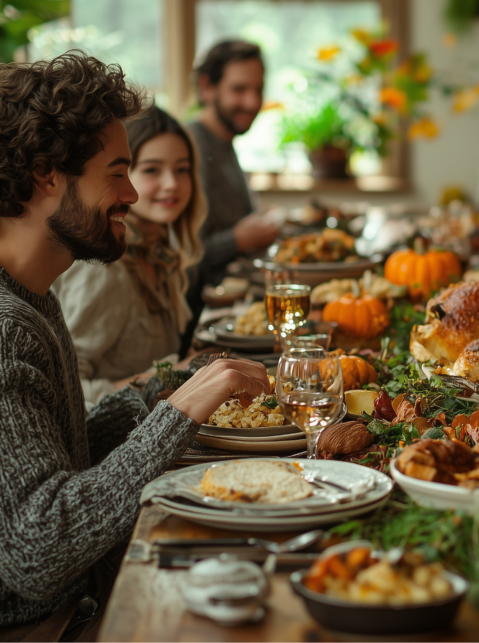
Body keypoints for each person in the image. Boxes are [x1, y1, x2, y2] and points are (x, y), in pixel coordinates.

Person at [0, 52, 270, 628]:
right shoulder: (5, 329)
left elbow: (63, 459)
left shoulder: (33, 295)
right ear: (48, 173)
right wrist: (177, 412)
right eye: (118, 172)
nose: (135, 194)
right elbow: (37, 552)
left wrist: (155, 396)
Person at [53, 107, 206, 406]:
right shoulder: (105, 267)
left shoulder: (160, 252)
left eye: (181, 169)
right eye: (151, 170)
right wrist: (160, 379)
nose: (172, 183)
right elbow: (67, 393)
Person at [184, 40, 280, 344]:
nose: (252, 102)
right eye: (239, 89)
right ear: (207, 87)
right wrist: (238, 240)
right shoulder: (188, 151)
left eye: (258, 89)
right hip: (203, 328)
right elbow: (180, 260)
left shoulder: (224, 143)